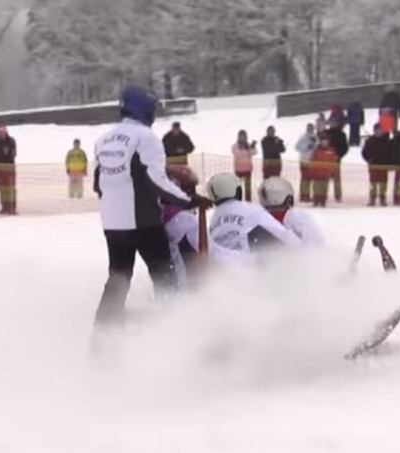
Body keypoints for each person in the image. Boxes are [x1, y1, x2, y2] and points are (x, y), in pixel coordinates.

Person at [91, 85, 211, 328]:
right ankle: (172, 327)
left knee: (118, 277)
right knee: (163, 273)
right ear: (143, 108)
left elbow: (98, 184)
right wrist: (189, 200)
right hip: (144, 221)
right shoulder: (146, 138)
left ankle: (103, 336)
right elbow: (157, 181)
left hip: (113, 224)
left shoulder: (102, 140)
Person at [206, 173, 301, 253]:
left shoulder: (214, 218)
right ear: (238, 190)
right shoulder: (250, 209)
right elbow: (279, 232)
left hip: (221, 266)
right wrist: (301, 250)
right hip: (249, 264)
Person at [258, 176, 325, 247]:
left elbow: (314, 243)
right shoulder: (267, 215)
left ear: (275, 195)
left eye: (265, 195)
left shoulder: (295, 216)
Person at [0, 125, 17, 215]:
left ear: (6, 131)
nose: (1, 134)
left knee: (10, 188)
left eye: (2, 132)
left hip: (9, 168)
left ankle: (12, 207)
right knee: (2, 189)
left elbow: (13, 153)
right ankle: (4, 207)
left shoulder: (11, 141)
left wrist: (8, 154)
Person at [361, 123, 391, 207]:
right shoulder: (370, 141)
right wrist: (368, 159)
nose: (378, 132)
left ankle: (382, 198)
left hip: (384, 165)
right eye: (377, 130)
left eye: (380, 130)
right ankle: (372, 198)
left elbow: (391, 153)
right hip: (373, 165)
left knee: (383, 183)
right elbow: (364, 152)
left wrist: (389, 162)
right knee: (373, 183)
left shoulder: (387, 141)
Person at [310, 131, 340, 208]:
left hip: (326, 173)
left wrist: (333, 170)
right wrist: (312, 170)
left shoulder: (331, 150)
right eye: (323, 140)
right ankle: (316, 200)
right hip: (317, 172)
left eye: (326, 140)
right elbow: (312, 160)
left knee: (324, 187)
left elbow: (334, 160)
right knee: (316, 187)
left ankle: (323, 200)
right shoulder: (316, 150)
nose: (324, 142)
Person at [231, 130, 257, 202]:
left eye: (244, 136)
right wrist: (246, 150)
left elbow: (254, 152)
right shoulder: (235, 146)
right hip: (238, 169)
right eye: (241, 136)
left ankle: (248, 202)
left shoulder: (248, 145)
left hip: (247, 170)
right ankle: (237, 201)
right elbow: (237, 153)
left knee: (248, 189)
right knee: (237, 187)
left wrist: (252, 147)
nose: (242, 138)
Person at [327, 118, 348, 202]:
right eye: (331, 122)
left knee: (337, 179)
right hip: (325, 159)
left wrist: (339, 155)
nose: (333, 124)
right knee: (323, 178)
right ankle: (322, 194)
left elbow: (345, 147)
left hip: (336, 159)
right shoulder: (326, 133)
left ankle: (338, 196)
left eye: (334, 122)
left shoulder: (342, 134)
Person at [295, 123, 317, 202]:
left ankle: (307, 194)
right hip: (304, 161)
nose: (310, 130)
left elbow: (318, 146)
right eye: (309, 128)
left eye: (312, 128)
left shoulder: (315, 137)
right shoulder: (303, 137)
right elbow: (297, 147)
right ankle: (303, 195)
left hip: (312, 161)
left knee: (309, 179)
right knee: (304, 178)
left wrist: (315, 144)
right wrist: (307, 146)